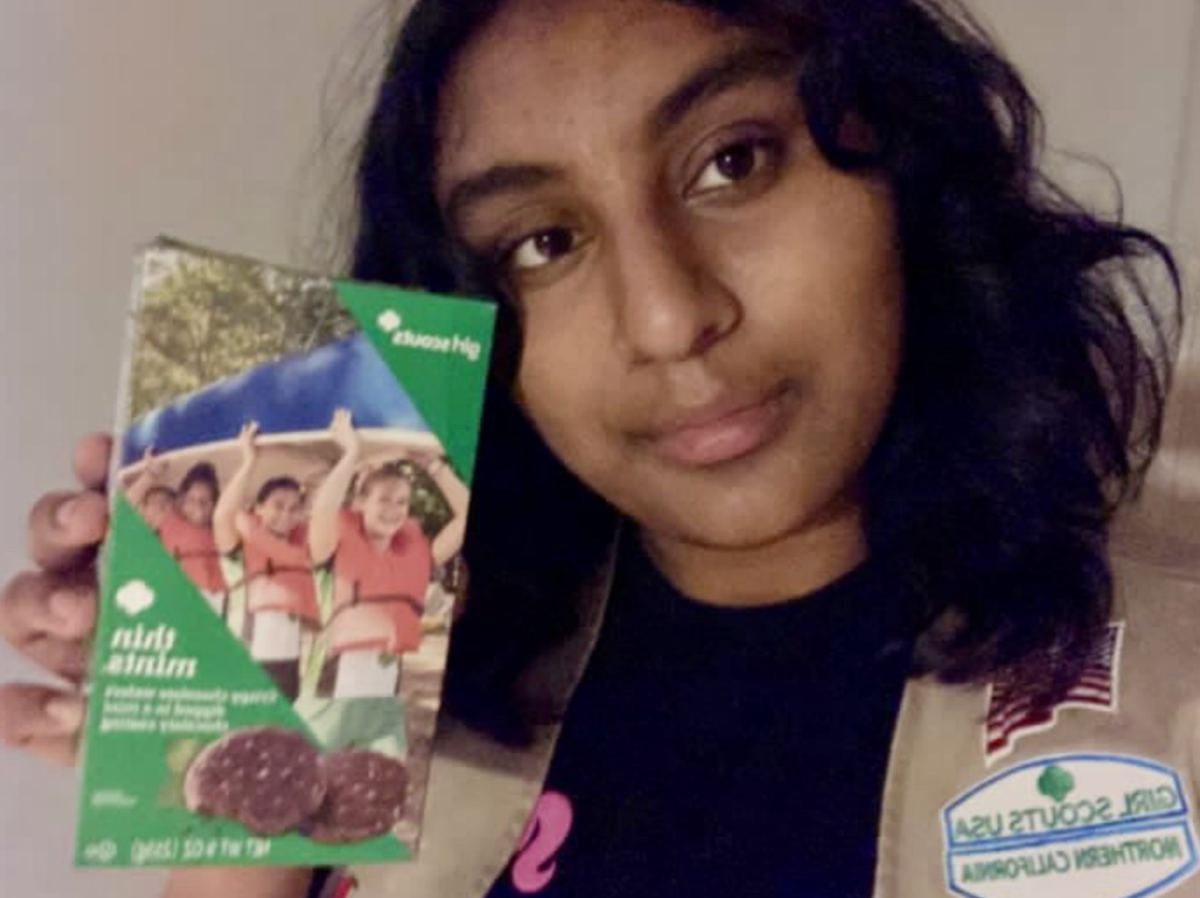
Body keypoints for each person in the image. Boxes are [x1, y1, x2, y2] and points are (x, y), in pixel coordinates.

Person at [0, 1, 1192, 897]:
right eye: (542, 242)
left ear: (906, 172)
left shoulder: (1170, 685)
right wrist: (245, 765)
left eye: (734, 161)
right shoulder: (402, 672)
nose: (669, 320)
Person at [306, 408, 468, 699]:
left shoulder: (418, 555)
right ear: (361, 503)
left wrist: (435, 467)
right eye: (384, 500)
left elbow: (467, 516)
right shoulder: (330, 547)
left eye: (402, 502)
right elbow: (323, 509)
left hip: (386, 682)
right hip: (334, 680)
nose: (394, 510)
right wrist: (351, 454)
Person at [213, 421, 320, 701]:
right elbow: (223, 515)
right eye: (278, 505)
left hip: (289, 665)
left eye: (294, 508)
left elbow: (323, 509)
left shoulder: (301, 549)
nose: (286, 514)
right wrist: (248, 461)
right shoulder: (237, 546)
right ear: (258, 508)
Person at [126, 454, 229, 617]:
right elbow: (123, 512)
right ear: (181, 501)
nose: (199, 508)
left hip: (214, 609)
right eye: (192, 500)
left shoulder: (224, 529)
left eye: (206, 502)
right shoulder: (171, 523)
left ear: (215, 505)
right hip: (176, 603)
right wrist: (150, 475)